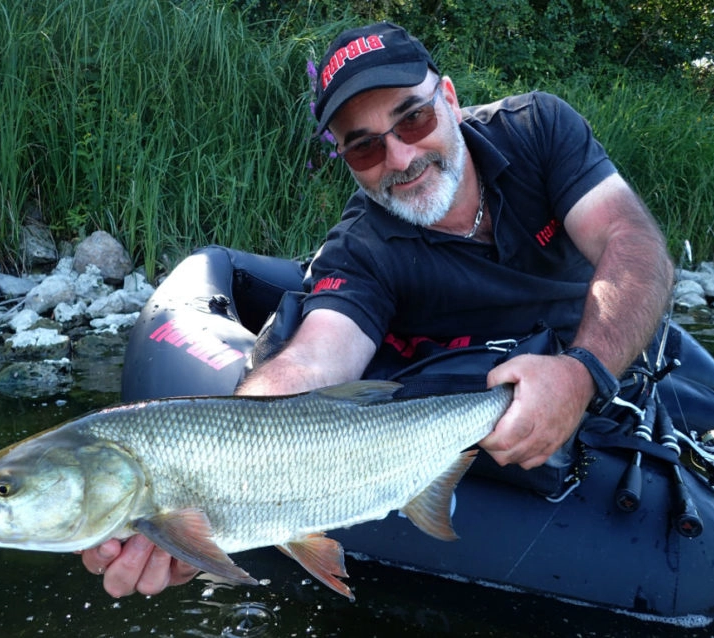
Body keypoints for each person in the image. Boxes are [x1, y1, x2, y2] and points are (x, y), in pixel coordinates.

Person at [81, 21, 674, 596]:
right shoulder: (361, 246)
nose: (398, 157)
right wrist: (205, 497)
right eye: (363, 147)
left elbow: (631, 240)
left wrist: (581, 371)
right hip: (464, 411)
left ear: (448, 97)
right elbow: (314, 361)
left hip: (586, 353)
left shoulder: (539, 128)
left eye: (412, 119)